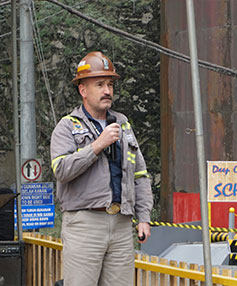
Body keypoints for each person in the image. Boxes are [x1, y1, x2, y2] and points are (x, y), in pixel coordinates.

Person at [50, 51, 153, 285]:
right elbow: (61, 170)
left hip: (122, 225)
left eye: (110, 84)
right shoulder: (67, 127)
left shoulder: (122, 123)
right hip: (85, 223)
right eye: (99, 84)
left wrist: (144, 217)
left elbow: (140, 174)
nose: (107, 90)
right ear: (83, 90)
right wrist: (97, 145)